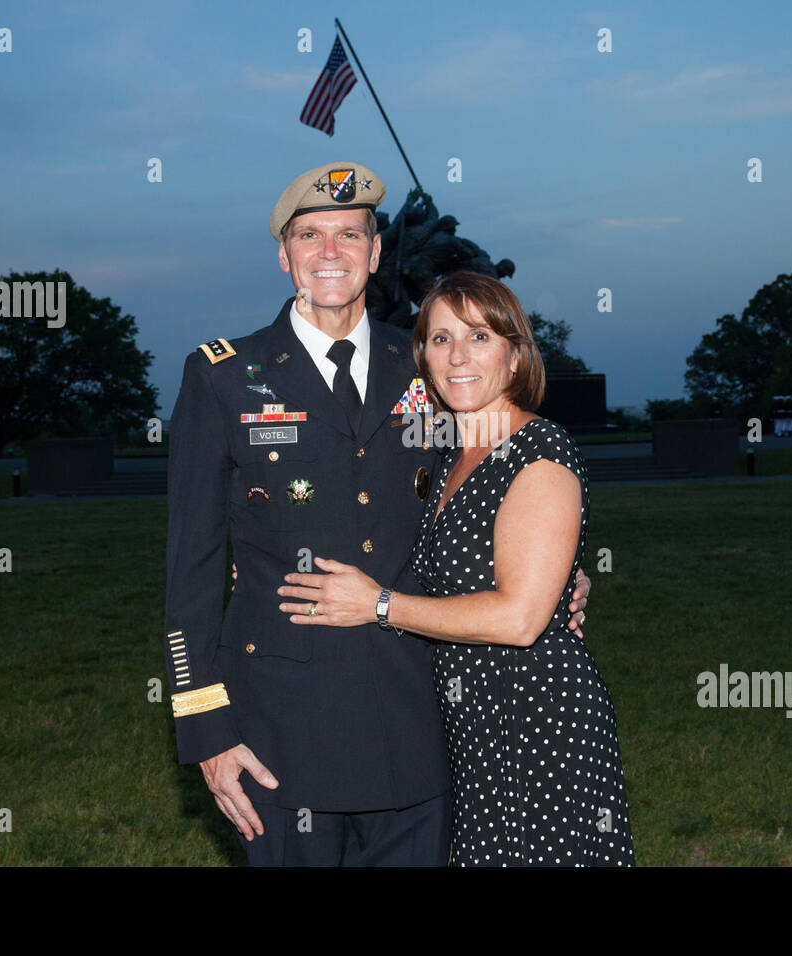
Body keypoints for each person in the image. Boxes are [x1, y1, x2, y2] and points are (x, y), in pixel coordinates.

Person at [163, 162, 591, 866]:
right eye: (310, 236)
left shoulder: (427, 366)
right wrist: (206, 728)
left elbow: (503, 484)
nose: (330, 253)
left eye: (350, 235)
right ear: (284, 255)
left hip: (415, 721)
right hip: (278, 728)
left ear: (376, 252)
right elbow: (193, 568)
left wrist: (563, 577)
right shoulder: (222, 376)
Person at [277, 271, 635, 865]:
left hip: (537, 719)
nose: (458, 356)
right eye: (441, 339)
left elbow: (520, 618)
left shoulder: (539, 452)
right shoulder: (446, 455)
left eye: (479, 337)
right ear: (424, 358)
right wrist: (264, 565)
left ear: (516, 356)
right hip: (469, 723)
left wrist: (378, 605)